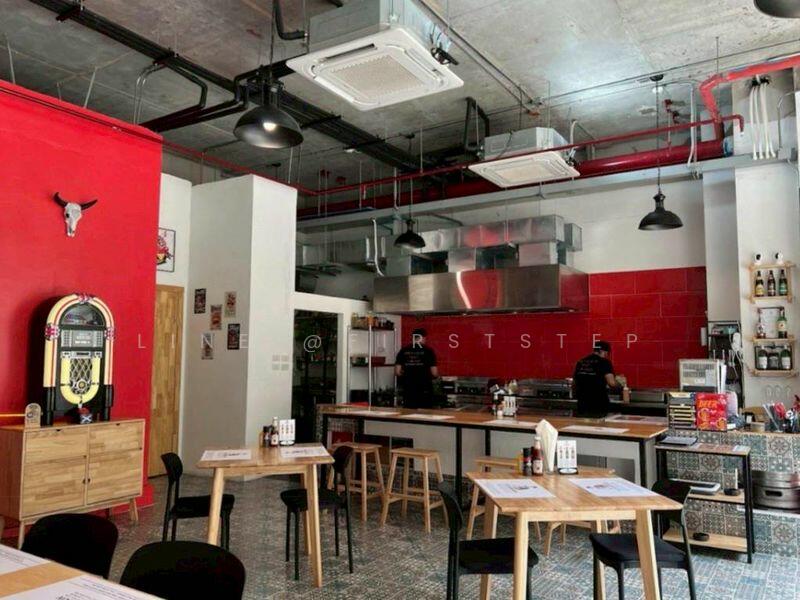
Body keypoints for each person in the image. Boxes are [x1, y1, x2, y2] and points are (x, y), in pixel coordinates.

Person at [572, 341, 626, 418]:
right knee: (598, 424)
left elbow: (574, 383)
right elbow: (612, 383)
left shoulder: (580, 362)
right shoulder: (605, 362)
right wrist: (620, 383)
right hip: (598, 403)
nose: (606, 355)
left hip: (582, 403)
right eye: (607, 353)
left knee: (583, 424)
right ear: (603, 351)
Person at [395, 328, 438, 409]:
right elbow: (434, 372)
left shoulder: (403, 351)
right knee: (425, 412)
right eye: (425, 338)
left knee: (409, 411)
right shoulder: (428, 351)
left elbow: (397, 371)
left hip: (408, 388)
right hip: (424, 387)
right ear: (422, 338)